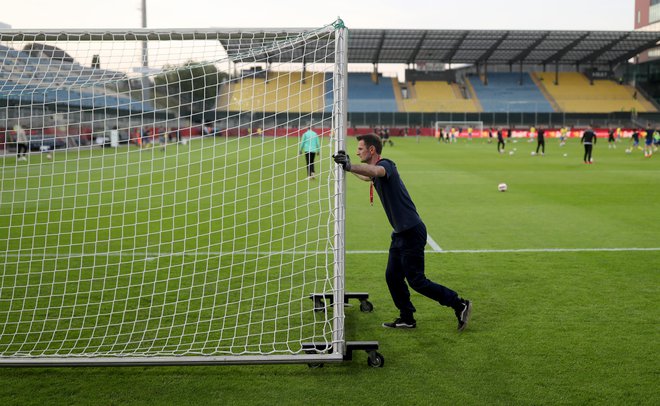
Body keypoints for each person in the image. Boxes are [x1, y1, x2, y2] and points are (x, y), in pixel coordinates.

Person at [332, 134, 472, 331]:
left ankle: (459, 304)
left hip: (411, 232)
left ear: (372, 150)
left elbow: (376, 171)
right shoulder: (374, 170)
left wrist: (349, 165)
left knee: (417, 281)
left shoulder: (386, 165)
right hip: (400, 233)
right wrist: (348, 165)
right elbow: (367, 175)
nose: (357, 152)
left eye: (360, 149)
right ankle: (407, 318)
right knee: (392, 276)